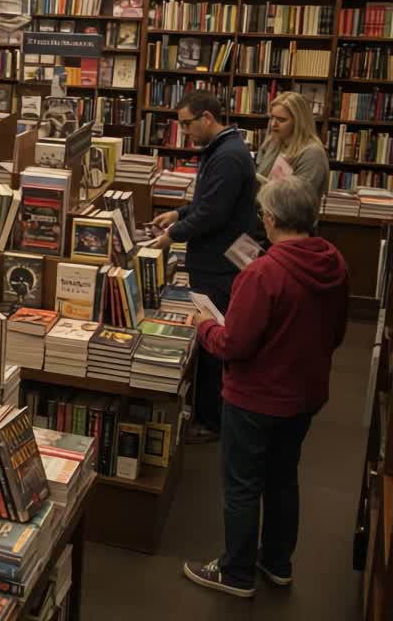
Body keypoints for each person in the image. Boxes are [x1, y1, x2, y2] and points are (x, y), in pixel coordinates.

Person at [182, 176, 348, 598]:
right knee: (282, 478)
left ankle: (236, 572)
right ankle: (277, 563)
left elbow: (233, 345)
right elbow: (337, 333)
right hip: (305, 394)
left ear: (271, 219)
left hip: (256, 397)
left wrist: (204, 327)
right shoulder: (335, 263)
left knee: (241, 485)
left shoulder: (263, 273)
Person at [149, 91, 257, 442]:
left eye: (187, 124)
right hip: (216, 258)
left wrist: (173, 235)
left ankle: (212, 421)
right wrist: (178, 214)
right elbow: (205, 201)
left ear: (207, 117)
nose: (184, 132)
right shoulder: (223, 149)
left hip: (219, 263)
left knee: (213, 341)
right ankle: (210, 414)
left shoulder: (228, 156)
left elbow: (212, 213)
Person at [257, 90, 329, 211]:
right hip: (266, 216)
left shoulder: (312, 153)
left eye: (281, 120)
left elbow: (300, 202)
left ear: (299, 122)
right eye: (272, 118)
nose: (273, 124)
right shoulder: (272, 142)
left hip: (291, 225)